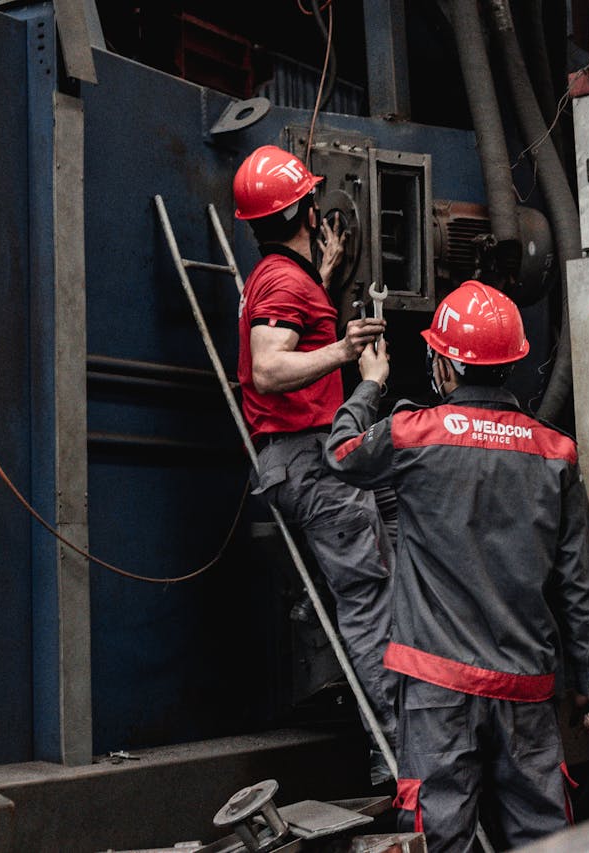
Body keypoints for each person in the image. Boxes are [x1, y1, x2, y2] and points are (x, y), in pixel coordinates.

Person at [324, 280, 589, 851]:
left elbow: (341, 454)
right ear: (511, 365)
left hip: (437, 687)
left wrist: (370, 385)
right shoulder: (554, 454)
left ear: (444, 365)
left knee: (439, 838)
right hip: (525, 689)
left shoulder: (415, 434)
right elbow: (580, 581)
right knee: (541, 837)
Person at [233, 144, 398, 764]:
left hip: (318, 452)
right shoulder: (281, 281)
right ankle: (397, 752)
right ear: (305, 209)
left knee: (392, 557)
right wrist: (347, 350)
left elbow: (289, 325)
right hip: (311, 458)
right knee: (367, 595)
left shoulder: (282, 279)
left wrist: (324, 277)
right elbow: (269, 368)